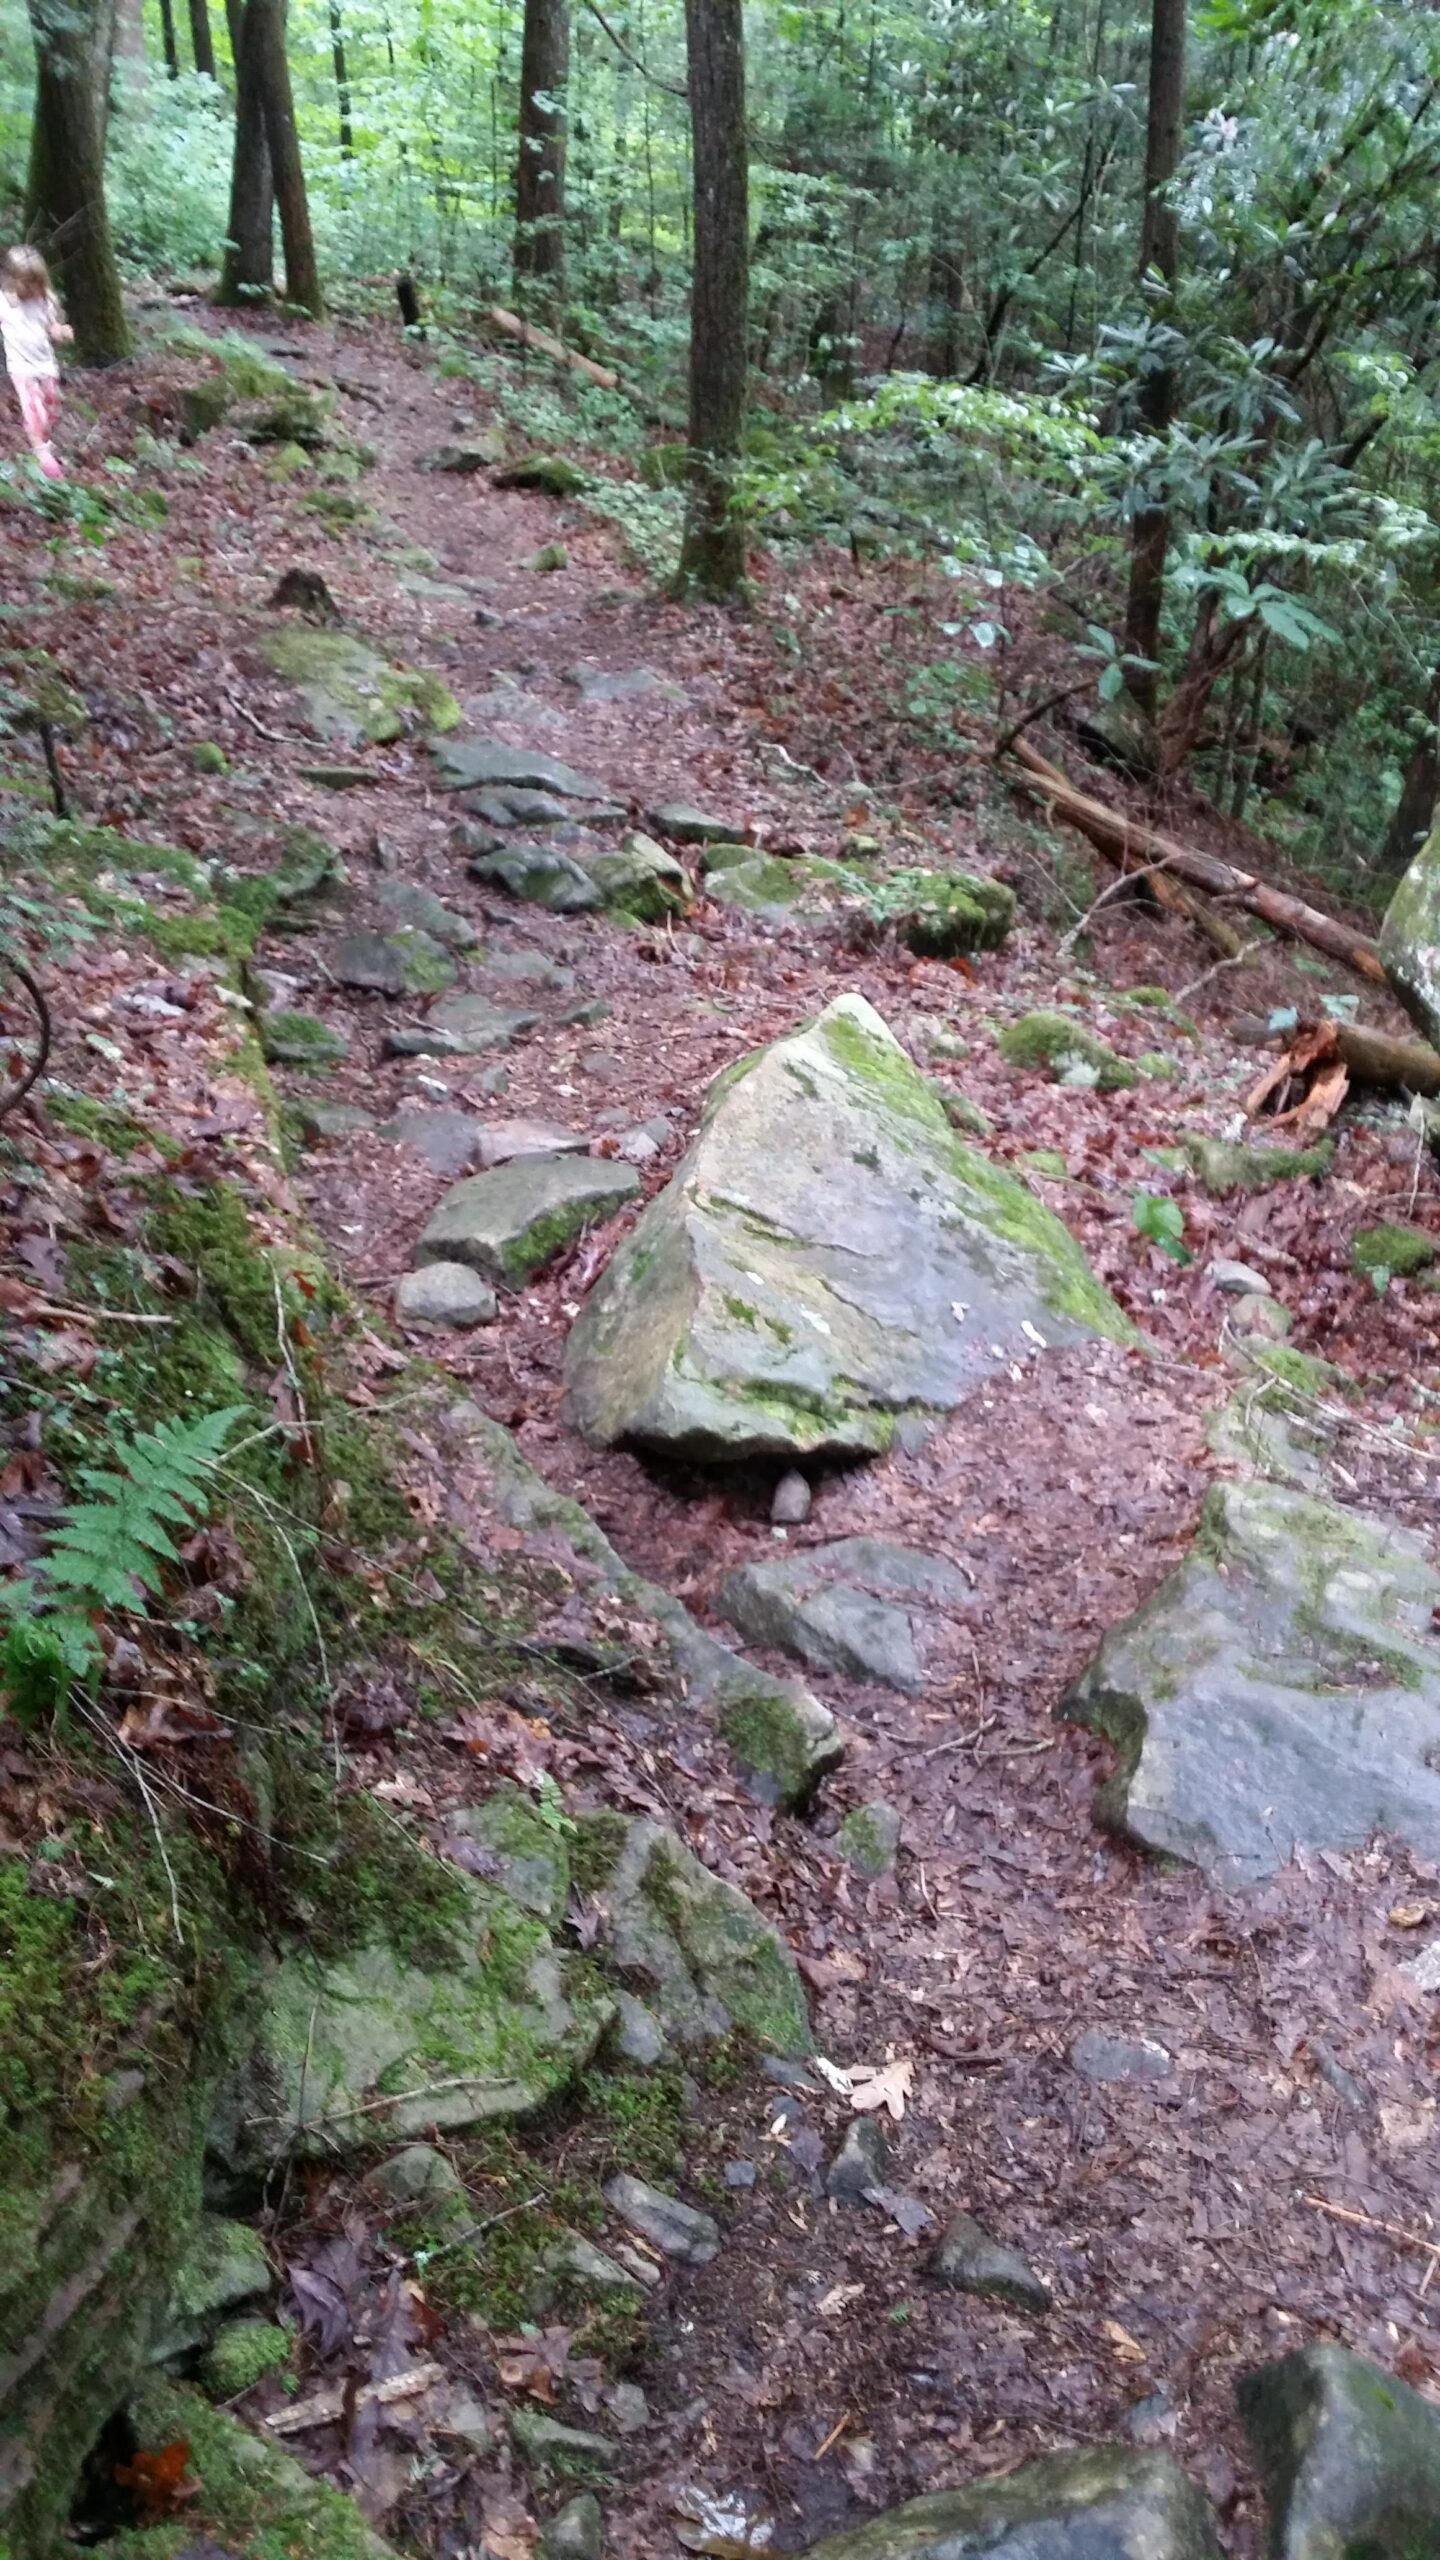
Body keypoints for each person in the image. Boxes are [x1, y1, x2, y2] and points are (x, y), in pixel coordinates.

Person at [0, 247, 72, 481]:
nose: (32, 289)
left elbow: (52, 329)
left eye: (36, 283)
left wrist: (61, 332)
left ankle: (43, 440)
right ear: (13, 280)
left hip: (46, 364)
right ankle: (42, 454)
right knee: (34, 410)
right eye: (26, 283)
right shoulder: (4, 304)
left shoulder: (45, 301)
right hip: (21, 366)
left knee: (51, 406)